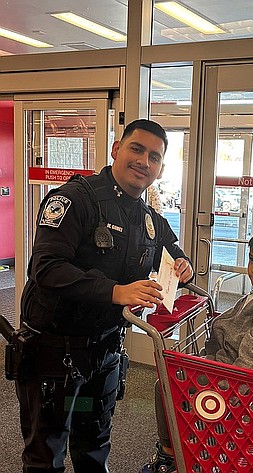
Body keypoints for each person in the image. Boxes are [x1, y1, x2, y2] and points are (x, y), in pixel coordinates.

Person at [16, 119, 194, 473]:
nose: (144, 161)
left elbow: (171, 248)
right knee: (46, 451)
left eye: (155, 157)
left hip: (104, 354)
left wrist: (183, 264)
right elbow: (46, 267)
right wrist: (116, 291)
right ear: (116, 150)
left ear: (160, 169)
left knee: (93, 443)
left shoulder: (147, 217)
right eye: (137, 149)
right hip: (56, 354)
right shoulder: (74, 199)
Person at [140, 223, 253, 473]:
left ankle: (169, 453)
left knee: (166, 384)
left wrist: (227, 391)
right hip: (224, 364)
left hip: (228, 375)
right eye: (252, 260)